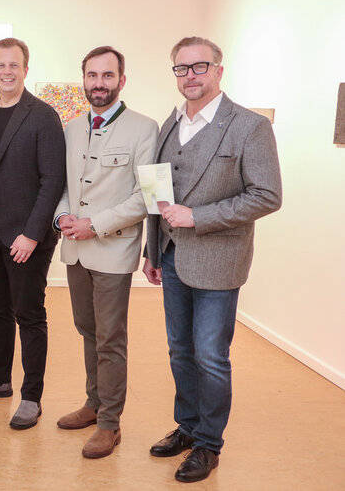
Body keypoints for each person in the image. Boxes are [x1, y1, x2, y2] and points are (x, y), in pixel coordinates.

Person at [143, 37, 282, 483]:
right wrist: (151, 250)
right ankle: (187, 427)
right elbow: (156, 191)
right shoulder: (170, 123)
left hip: (219, 261)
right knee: (180, 350)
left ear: (219, 71)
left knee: (210, 356)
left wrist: (197, 216)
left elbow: (267, 195)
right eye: (181, 68)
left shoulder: (249, 126)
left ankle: (208, 444)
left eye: (199, 66)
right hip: (171, 257)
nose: (190, 76)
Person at [52, 46, 158, 457]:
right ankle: (94, 403)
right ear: (84, 79)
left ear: (121, 80)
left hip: (113, 251)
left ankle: (110, 424)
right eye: (92, 75)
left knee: (110, 338)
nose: (99, 83)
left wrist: (93, 224)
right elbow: (64, 186)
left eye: (107, 75)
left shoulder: (146, 128)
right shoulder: (71, 128)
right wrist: (63, 216)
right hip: (75, 250)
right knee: (87, 330)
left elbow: (149, 197)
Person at [0, 38, 66, 430]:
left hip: (25, 237)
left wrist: (32, 234)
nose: (6, 72)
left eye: (14, 65)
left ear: (25, 68)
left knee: (30, 315)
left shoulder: (43, 115)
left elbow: (52, 180)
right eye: (0, 65)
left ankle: (31, 397)